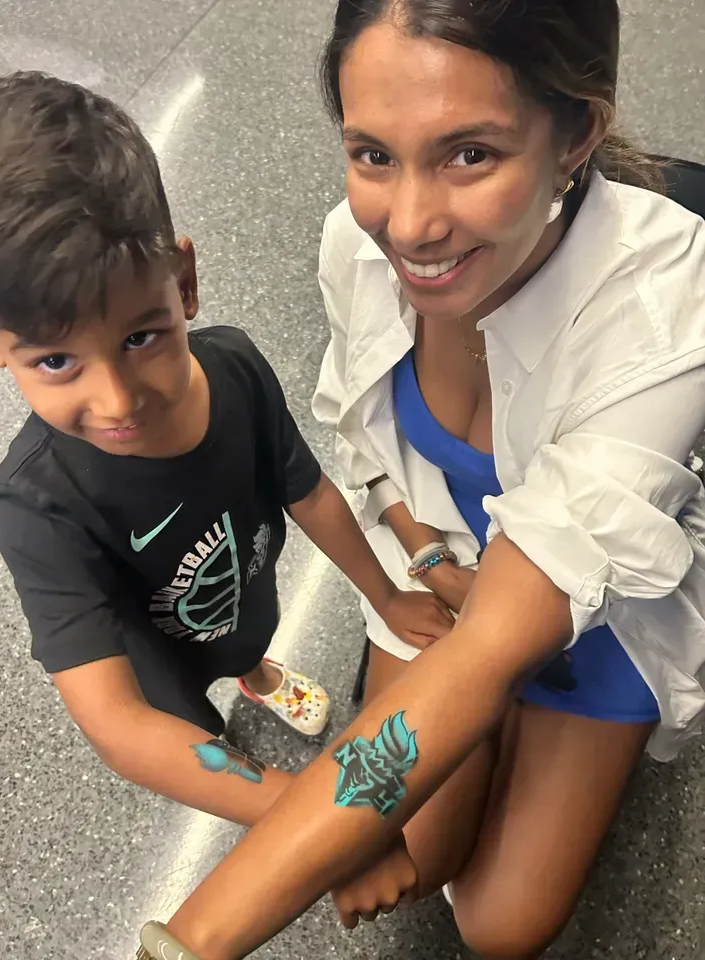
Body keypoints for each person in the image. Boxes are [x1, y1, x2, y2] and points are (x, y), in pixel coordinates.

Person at [147, 1, 705, 959]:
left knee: (501, 925)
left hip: (601, 610)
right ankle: (469, 732)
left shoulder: (668, 311)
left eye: (469, 155)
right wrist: (416, 547)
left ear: (577, 134)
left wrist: (187, 943)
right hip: (438, 579)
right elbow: (364, 429)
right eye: (373, 155)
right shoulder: (354, 243)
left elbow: (495, 643)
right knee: (419, 846)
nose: (406, 224)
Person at [0, 73, 454, 831]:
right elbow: (124, 730)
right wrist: (309, 819)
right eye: (55, 362)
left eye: (140, 338)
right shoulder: (30, 507)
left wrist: (387, 594)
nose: (117, 400)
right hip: (164, 672)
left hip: (242, 591)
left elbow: (311, 495)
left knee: (247, 642)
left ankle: (259, 672)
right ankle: (235, 694)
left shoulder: (233, 365)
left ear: (185, 282)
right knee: (196, 726)